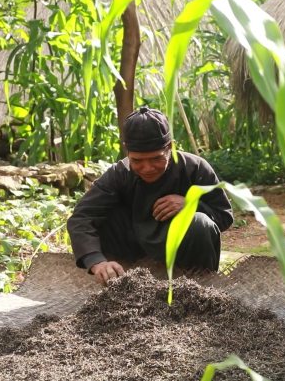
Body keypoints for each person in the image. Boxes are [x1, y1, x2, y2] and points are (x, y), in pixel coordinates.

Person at [67, 107, 233, 284]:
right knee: (104, 214)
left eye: (156, 158)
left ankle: (199, 287)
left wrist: (190, 204)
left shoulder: (195, 168)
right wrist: (97, 262)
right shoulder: (119, 173)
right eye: (137, 160)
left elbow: (224, 216)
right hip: (131, 260)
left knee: (201, 223)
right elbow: (80, 219)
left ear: (170, 147)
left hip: (183, 263)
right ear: (127, 151)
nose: (147, 168)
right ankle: (121, 282)